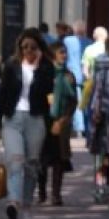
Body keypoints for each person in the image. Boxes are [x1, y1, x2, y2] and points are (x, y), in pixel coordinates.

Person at [0, 28, 55, 219]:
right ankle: (13, 202)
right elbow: (2, 95)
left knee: (31, 164)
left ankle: (27, 204)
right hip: (13, 119)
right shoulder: (11, 65)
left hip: (35, 119)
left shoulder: (46, 68)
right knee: (16, 160)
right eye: (24, 47)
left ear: (39, 47)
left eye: (32, 47)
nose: (28, 51)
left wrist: (37, 68)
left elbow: (47, 91)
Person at [38, 41, 78, 205]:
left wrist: (64, 119)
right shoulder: (46, 74)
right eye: (61, 52)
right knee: (42, 157)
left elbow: (73, 100)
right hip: (45, 119)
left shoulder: (69, 76)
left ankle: (56, 194)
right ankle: (41, 192)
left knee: (59, 159)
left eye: (65, 52)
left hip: (62, 121)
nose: (64, 55)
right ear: (53, 54)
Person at [62, 19, 88, 135]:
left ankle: (76, 126)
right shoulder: (84, 41)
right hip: (82, 75)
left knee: (70, 101)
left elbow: (63, 56)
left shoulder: (67, 40)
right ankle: (81, 127)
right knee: (82, 101)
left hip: (70, 74)